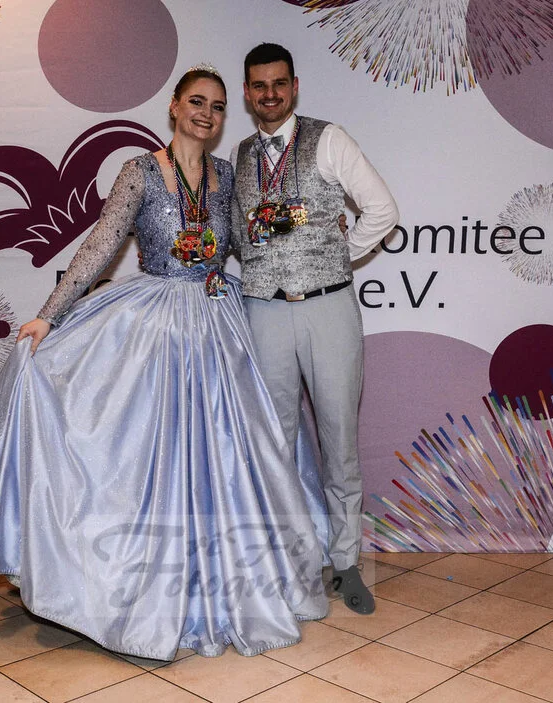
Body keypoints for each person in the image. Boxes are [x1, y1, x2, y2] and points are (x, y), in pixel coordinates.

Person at [0, 66, 329, 661]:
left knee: (233, 456)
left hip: (219, 322)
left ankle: (227, 589)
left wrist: (308, 215)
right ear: (174, 106)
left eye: (218, 106)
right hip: (157, 327)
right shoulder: (139, 171)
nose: (207, 114)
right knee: (145, 457)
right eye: (197, 102)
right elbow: (101, 245)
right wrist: (49, 315)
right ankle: (133, 588)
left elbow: (249, 237)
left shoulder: (226, 175)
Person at [230, 43, 400, 615]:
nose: (269, 94)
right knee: (274, 443)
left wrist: (335, 256)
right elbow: (241, 236)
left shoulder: (329, 138)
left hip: (328, 308)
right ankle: (285, 563)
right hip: (264, 311)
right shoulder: (241, 153)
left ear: (294, 86)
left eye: (279, 83)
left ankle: (346, 562)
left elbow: (382, 209)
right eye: (259, 86)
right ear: (247, 92)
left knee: (338, 441)